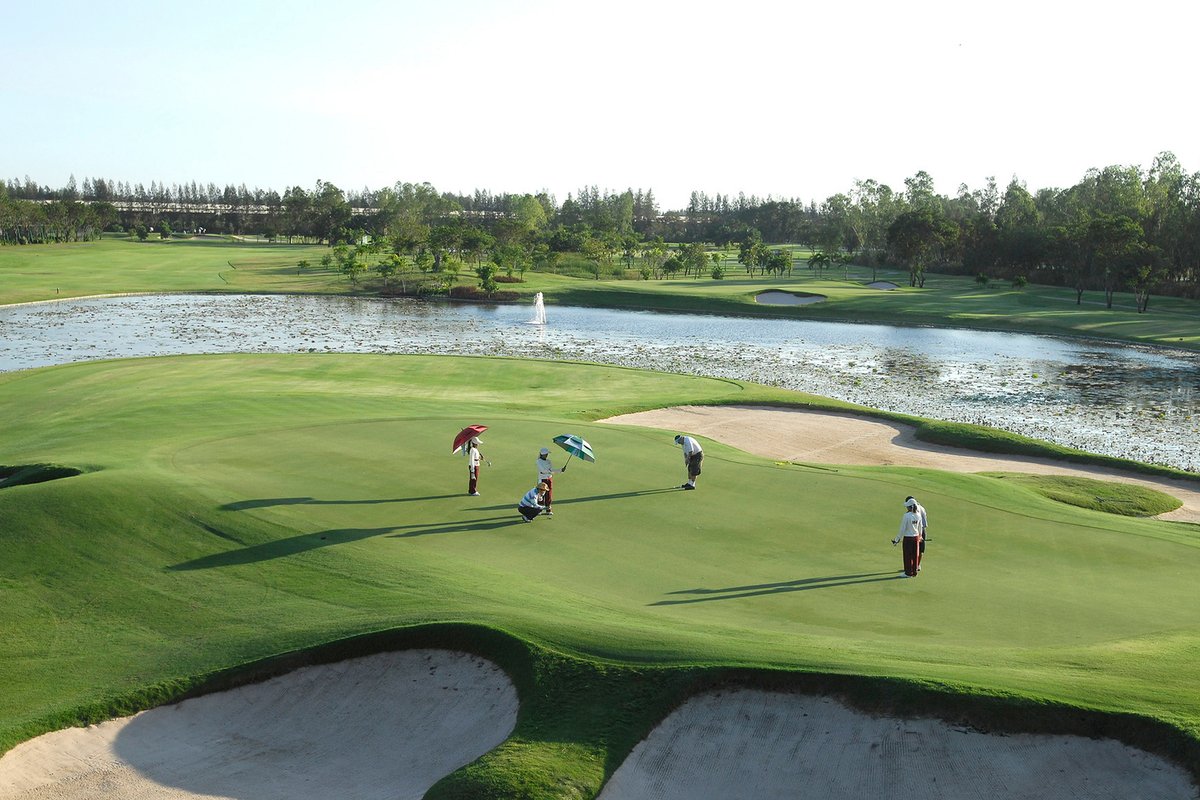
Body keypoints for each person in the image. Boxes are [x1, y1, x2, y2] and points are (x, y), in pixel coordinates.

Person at [892, 498, 923, 577]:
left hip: (908, 538)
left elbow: (902, 529)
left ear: (910, 507)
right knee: (915, 555)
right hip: (916, 538)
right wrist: (920, 536)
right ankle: (914, 572)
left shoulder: (906, 516)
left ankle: (908, 573)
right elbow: (920, 527)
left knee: (907, 555)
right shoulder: (918, 515)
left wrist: (897, 539)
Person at [536, 447, 566, 516]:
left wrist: (561, 470)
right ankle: (539, 509)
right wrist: (550, 472)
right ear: (542, 454)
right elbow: (543, 471)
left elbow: (551, 469)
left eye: (547, 454)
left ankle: (548, 509)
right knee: (541, 494)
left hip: (549, 479)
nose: (546, 455)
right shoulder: (538, 461)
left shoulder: (549, 461)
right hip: (542, 479)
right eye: (545, 454)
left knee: (549, 494)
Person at [905, 495, 929, 571]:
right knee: (921, 550)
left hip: (915, 532)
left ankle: (912, 566)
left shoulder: (911, 511)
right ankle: (917, 565)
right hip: (922, 531)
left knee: (913, 550)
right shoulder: (922, 508)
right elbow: (925, 524)